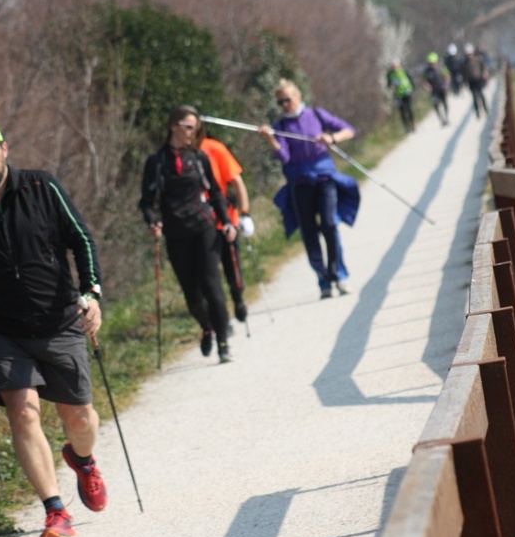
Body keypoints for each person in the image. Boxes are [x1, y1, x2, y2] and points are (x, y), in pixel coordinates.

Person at [0, 119, 107, 537]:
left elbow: (81, 239)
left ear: (5, 150)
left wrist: (91, 294)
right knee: (23, 411)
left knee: (80, 419)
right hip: (3, 331)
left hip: (60, 320)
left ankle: (82, 460)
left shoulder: (42, 187)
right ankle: (55, 510)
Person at [139, 105, 237, 363]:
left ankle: (223, 344)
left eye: (196, 128)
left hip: (204, 227)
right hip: (175, 233)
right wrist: (153, 221)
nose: (193, 133)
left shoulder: (199, 158)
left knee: (212, 285)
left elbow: (215, 193)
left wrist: (227, 222)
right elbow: (146, 202)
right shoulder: (156, 162)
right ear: (174, 126)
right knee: (192, 294)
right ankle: (207, 326)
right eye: (189, 127)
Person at [257, 79, 359, 299]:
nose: (285, 105)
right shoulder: (280, 127)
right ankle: (324, 281)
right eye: (280, 102)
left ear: (298, 96)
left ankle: (339, 275)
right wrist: (270, 140)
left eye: (288, 100)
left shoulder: (317, 115)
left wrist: (331, 138)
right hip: (300, 184)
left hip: (324, 179)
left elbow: (349, 130)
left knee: (330, 225)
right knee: (309, 233)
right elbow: (284, 157)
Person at [194, 121, 253, 324]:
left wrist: (245, 213)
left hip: (226, 221)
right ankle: (220, 319)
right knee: (208, 277)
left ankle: (238, 298)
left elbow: (237, 181)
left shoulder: (215, 148)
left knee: (233, 270)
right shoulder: (179, 155)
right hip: (200, 225)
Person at [385, 59, 415, 133]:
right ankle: (407, 127)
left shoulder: (404, 71)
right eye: (393, 66)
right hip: (398, 95)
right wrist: (391, 88)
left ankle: (413, 125)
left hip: (407, 92)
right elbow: (389, 85)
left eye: (396, 66)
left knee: (409, 109)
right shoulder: (390, 74)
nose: (395, 68)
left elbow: (410, 80)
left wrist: (413, 89)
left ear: (399, 65)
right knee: (402, 111)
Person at [461, 43, 489, 118]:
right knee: (475, 98)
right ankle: (478, 112)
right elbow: (463, 74)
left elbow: (483, 67)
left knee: (481, 95)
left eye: (470, 54)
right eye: (467, 54)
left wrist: (485, 73)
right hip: (471, 82)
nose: (469, 56)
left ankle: (486, 109)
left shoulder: (477, 59)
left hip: (478, 80)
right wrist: (464, 82)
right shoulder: (464, 64)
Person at [422, 52, 449, 126]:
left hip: (442, 88)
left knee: (444, 103)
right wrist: (427, 87)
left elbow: (447, 76)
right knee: (436, 105)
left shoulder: (441, 67)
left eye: (433, 63)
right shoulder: (427, 71)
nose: (432, 64)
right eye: (431, 63)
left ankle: (446, 117)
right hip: (433, 91)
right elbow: (424, 81)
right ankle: (441, 119)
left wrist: (446, 84)